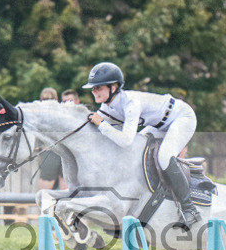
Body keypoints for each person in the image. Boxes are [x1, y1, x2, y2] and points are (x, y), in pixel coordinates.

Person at [83, 61, 201, 225]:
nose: (94, 91)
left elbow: (125, 140)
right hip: (158, 125)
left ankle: (190, 209)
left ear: (114, 87)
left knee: (164, 157)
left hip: (181, 117)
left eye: (99, 87)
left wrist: (102, 124)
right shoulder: (107, 107)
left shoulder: (131, 103)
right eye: (93, 88)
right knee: (137, 151)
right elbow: (93, 125)